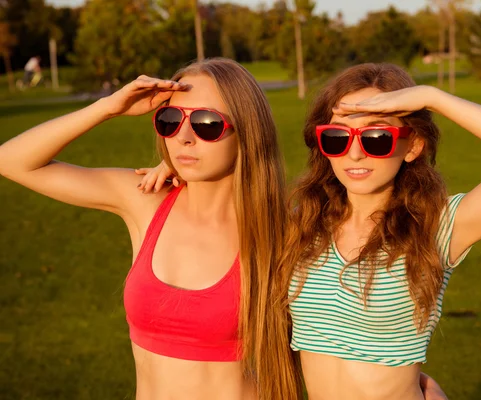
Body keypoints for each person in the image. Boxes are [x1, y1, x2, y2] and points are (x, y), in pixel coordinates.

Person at [0, 58, 301, 400]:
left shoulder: (281, 229)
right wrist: (107, 108)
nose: (184, 138)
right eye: (171, 121)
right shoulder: (145, 200)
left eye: (206, 123)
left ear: (248, 129)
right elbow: (12, 161)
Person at [275, 63, 481, 400]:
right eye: (337, 137)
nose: (354, 152)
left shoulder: (437, 226)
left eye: (377, 137)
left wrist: (433, 97)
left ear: (412, 146)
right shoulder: (303, 224)